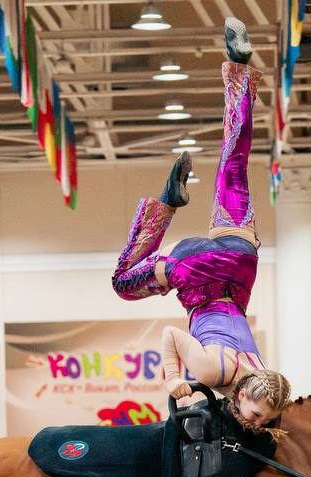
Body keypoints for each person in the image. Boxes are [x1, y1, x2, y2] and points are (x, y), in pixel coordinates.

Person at [111, 18, 268, 400]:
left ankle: (239, 69)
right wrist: (170, 379)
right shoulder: (215, 374)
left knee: (235, 161)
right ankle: (165, 205)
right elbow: (171, 338)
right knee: (123, 283)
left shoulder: (259, 370)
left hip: (240, 260)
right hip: (192, 270)